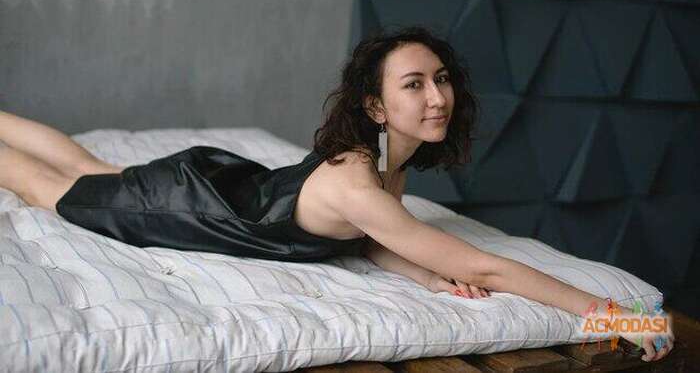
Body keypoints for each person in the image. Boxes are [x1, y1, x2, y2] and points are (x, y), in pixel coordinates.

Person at [0, 26, 673, 362]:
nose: (437, 96)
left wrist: (422, 274)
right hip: (193, 206)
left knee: (89, 166)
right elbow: (486, 266)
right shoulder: (359, 179)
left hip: (223, 182)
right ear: (376, 106)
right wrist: (619, 315)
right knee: (49, 188)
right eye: (414, 85)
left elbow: (375, 239)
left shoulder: (384, 159)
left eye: (441, 78)